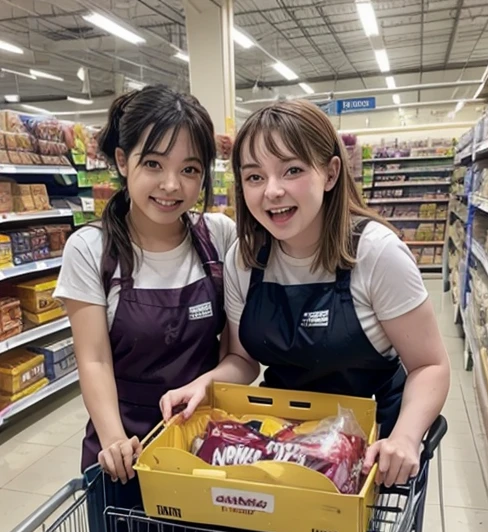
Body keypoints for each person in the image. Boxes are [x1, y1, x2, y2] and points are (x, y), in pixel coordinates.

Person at [160, 100, 450, 488]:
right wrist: (207, 382)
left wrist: (406, 437)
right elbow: (242, 360)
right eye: (255, 177)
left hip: (371, 452)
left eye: (292, 170)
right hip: (284, 445)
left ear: (330, 173)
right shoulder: (244, 260)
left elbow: (430, 366)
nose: (272, 192)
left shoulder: (375, 253)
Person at [56, 86, 257, 484]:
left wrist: (205, 385)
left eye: (189, 170)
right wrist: (115, 439)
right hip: (123, 452)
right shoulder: (90, 249)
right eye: (153, 164)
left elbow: (241, 359)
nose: (171, 185)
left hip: (205, 446)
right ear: (122, 161)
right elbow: (93, 359)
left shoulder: (218, 237)